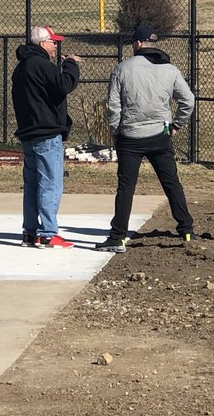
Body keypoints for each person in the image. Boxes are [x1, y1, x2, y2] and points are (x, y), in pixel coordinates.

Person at [95, 26, 196, 254]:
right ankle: (186, 229)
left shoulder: (122, 69)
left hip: (130, 136)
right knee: (171, 182)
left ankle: (117, 237)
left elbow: (114, 106)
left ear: (138, 43)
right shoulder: (170, 69)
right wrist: (176, 125)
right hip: (161, 134)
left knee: (126, 187)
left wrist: (116, 131)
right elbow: (188, 100)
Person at [12, 26, 83, 249]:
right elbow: (65, 85)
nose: (55, 47)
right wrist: (70, 64)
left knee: (32, 184)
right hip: (47, 133)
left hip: (28, 132)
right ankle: (48, 234)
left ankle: (29, 232)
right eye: (53, 42)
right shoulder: (42, 65)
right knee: (50, 183)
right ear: (43, 43)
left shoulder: (21, 68)